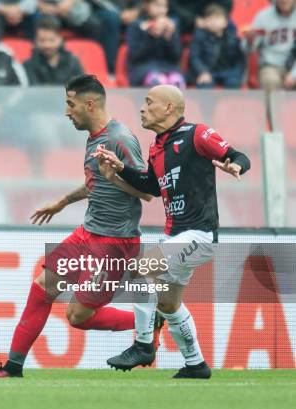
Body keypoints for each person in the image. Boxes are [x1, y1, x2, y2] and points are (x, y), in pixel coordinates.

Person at [0, 74, 158, 379]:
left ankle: (146, 323)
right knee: (41, 288)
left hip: (114, 242)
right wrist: (62, 201)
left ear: (89, 104)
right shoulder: (96, 138)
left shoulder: (121, 138)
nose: (66, 111)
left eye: (70, 104)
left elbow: (147, 191)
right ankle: (12, 367)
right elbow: (97, 183)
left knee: (76, 316)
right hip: (88, 233)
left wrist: (115, 177)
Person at [94, 84, 251, 379]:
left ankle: (142, 344)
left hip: (199, 235)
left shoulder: (197, 133)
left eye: (149, 102)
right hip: (176, 236)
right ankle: (196, 364)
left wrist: (236, 166)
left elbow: (238, 154)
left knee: (141, 269)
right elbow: (152, 186)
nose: (142, 107)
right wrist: (120, 168)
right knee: (168, 303)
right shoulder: (156, 146)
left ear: (168, 108)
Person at [126, 0, 184, 88]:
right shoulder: (136, 26)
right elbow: (135, 56)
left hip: (168, 68)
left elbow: (176, 57)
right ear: (146, 5)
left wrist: (168, 38)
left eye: (164, 6)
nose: (161, 10)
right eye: (157, 5)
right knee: (158, 80)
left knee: (177, 80)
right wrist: (151, 37)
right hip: (143, 69)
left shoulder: (171, 26)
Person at [242, 0, 296, 91]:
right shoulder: (263, 16)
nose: (285, 1)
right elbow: (247, 50)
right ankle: (273, 106)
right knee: (270, 81)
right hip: (270, 66)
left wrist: (294, 74)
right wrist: (250, 41)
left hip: (293, 65)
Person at [187, 3, 244, 89]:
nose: (213, 21)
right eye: (210, 18)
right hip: (208, 71)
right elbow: (194, 57)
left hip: (228, 72)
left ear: (225, 22)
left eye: (217, 18)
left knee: (233, 83)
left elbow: (240, 60)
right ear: (205, 22)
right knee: (205, 84)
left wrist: (236, 75)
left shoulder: (233, 37)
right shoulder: (199, 35)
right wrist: (203, 72)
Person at [24, 15, 84, 85]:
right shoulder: (28, 65)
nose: (47, 45)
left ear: (60, 39)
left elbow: (82, 89)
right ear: (35, 41)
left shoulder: (72, 62)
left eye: (51, 40)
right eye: (42, 40)